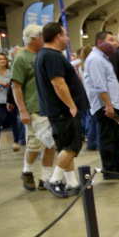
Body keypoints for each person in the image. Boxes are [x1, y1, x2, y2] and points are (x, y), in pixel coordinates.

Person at [34, 22, 89, 197]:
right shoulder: (52, 56)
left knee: (66, 146)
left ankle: (72, 182)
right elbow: (58, 83)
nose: (68, 38)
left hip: (56, 109)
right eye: (65, 34)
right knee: (73, 145)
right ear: (58, 36)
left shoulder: (44, 55)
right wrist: (71, 105)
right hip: (62, 110)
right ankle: (54, 180)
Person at [10, 24, 55, 190]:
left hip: (49, 107)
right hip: (33, 108)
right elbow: (16, 86)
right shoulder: (21, 58)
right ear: (35, 38)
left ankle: (46, 178)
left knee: (50, 144)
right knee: (35, 144)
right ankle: (27, 171)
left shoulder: (43, 55)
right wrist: (22, 110)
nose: (45, 39)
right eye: (42, 36)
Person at [83, 31, 119, 179]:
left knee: (117, 138)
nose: (115, 43)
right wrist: (109, 105)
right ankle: (110, 170)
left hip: (113, 104)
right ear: (100, 42)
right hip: (105, 107)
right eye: (111, 40)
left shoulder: (104, 59)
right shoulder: (95, 60)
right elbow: (100, 85)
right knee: (108, 138)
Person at [0, 52, 25, 153]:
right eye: (0, 59)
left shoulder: (11, 72)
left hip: (10, 101)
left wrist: (6, 84)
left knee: (13, 122)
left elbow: (15, 85)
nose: (3, 61)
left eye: (4, 59)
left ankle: (16, 141)